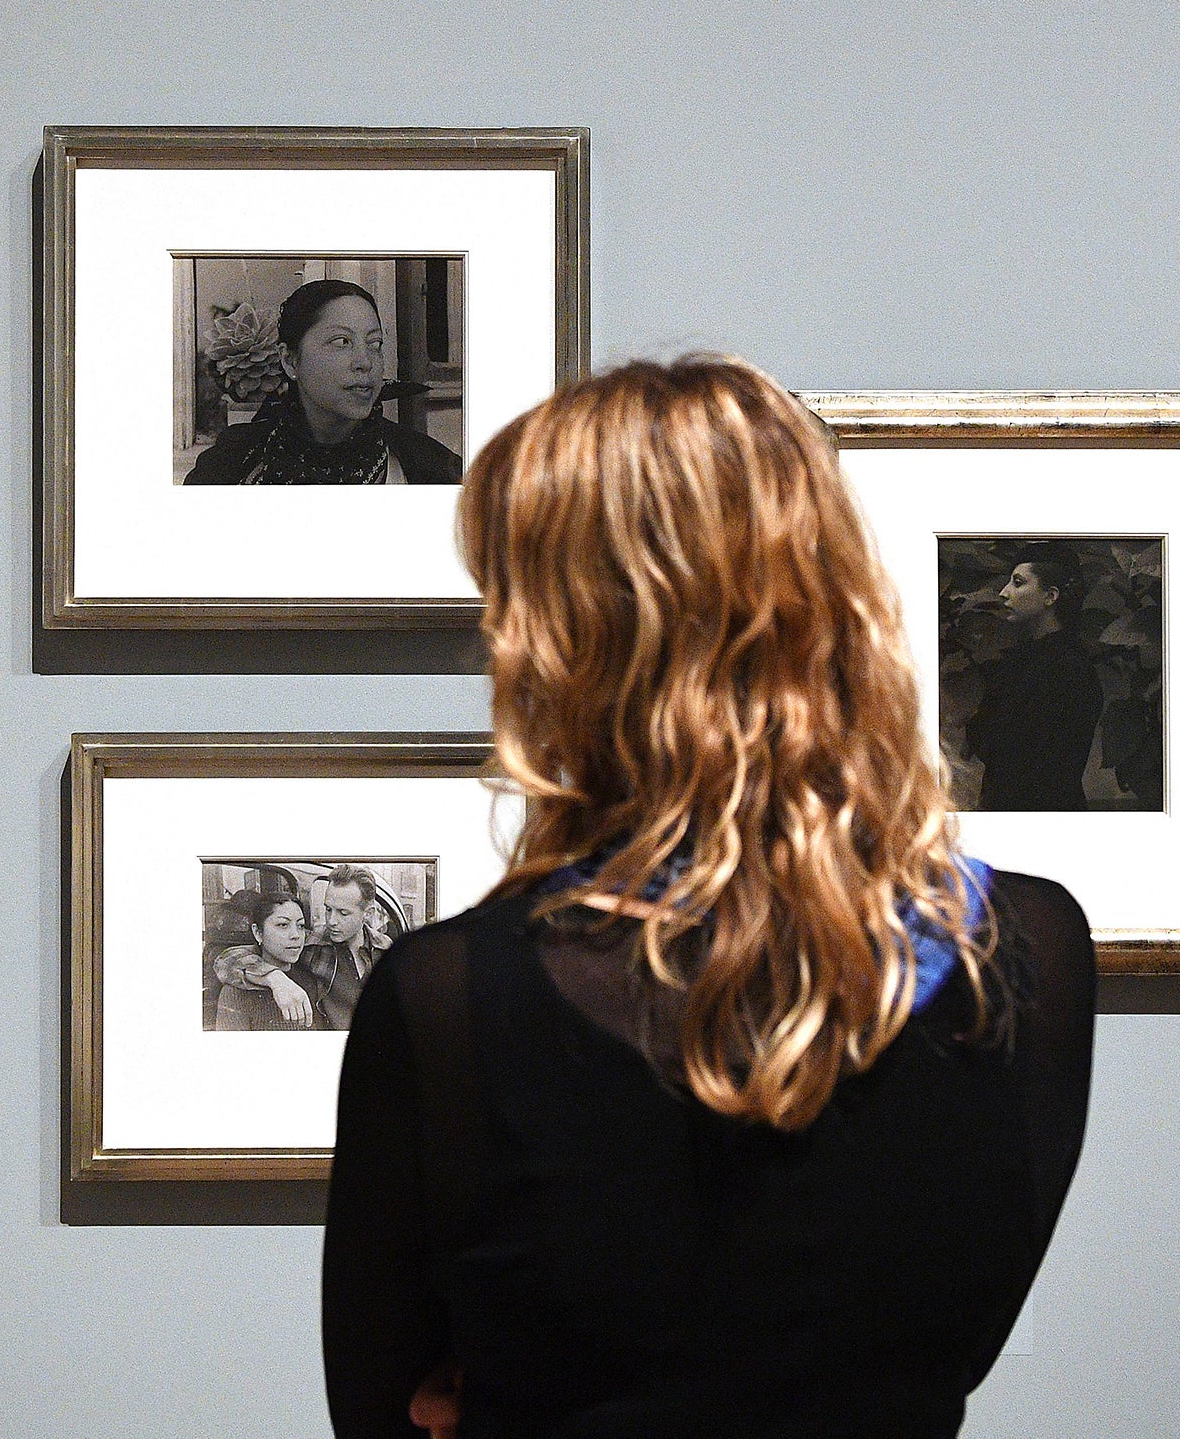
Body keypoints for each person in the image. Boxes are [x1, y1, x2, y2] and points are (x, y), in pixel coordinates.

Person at [323, 357, 1095, 1437]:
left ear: (563, 638)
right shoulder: (1028, 946)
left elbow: (385, 1410)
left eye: (507, 596)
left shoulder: (449, 991)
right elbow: (930, 1348)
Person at [184, 279, 463, 486]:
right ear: (291, 361)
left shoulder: (429, 467)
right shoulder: (232, 463)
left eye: (374, 344)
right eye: (342, 342)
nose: (364, 361)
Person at [962, 543, 1106, 810]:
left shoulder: (1067, 670)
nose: (1004, 593)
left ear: (1050, 596)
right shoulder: (1027, 660)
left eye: (1018, 583)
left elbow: (1022, 760)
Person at [215, 865, 398, 1030]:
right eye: (328, 909)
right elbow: (227, 961)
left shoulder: (388, 949)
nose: (331, 921)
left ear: (368, 914)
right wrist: (275, 978)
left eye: (343, 913)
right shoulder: (313, 945)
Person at [212, 891, 327, 1031]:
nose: (296, 935)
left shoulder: (312, 982)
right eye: (283, 925)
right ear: (258, 933)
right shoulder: (235, 992)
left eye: (301, 926)